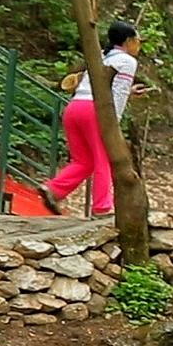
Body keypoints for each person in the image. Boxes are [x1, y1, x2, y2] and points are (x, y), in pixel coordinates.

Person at [42, 20, 140, 216]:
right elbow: (117, 93)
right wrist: (114, 122)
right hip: (94, 111)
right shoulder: (128, 61)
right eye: (137, 40)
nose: (139, 44)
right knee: (103, 157)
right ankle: (102, 207)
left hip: (75, 107)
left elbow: (111, 86)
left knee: (84, 161)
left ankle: (54, 188)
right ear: (128, 40)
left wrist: (130, 90)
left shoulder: (101, 57)